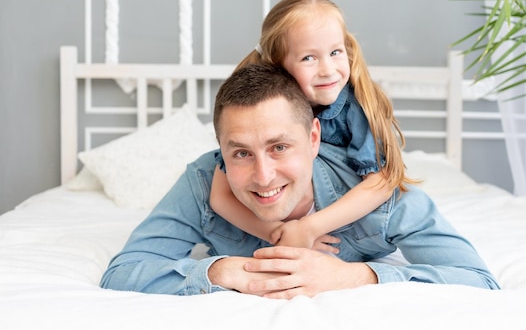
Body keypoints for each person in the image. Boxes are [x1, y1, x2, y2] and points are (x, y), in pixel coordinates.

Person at [100, 63, 500, 298]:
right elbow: (123, 272)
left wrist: (354, 277)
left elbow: (479, 282)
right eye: (240, 152)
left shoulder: (378, 192)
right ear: (220, 149)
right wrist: (219, 272)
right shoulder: (204, 180)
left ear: (313, 138)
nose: (263, 176)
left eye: (279, 147)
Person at [210, 0, 417, 250]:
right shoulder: (250, 115)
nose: (328, 69)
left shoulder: (355, 107)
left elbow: (383, 182)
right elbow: (220, 197)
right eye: (309, 57)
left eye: (335, 52)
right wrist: (280, 233)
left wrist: (310, 228)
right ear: (278, 65)